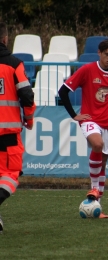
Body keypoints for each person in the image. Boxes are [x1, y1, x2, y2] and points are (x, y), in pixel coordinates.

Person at [58, 39, 108, 218]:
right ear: (99, 53)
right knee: (97, 145)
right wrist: (74, 115)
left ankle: (97, 206)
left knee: (103, 162)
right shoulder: (87, 70)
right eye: (107, 55)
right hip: (90, 119)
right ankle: (95, 188)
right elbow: (63, 91)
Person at [0, 22, 36, 232]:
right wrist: (29, 119)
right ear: (5, 39)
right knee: (11, 174)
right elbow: (27, 96)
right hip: (8, 132)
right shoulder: (14, 64)